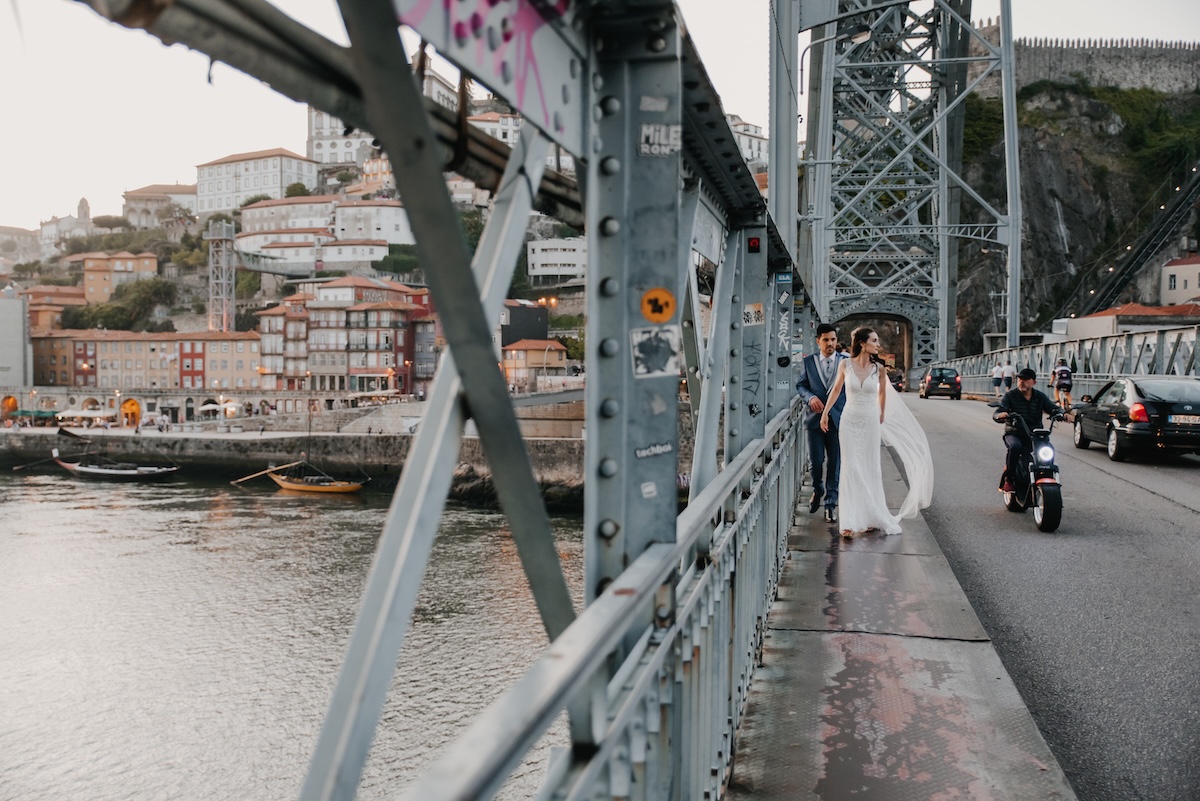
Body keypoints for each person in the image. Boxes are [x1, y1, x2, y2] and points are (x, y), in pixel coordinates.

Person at [820, 327, 933, 537]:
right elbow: (836, 390)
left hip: (870, 420)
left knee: (870, 467)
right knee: (851, 468)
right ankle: (849, 521)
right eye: (874, 340)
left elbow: (882, 393)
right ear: (862, 343)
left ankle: (871, 515)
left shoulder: (879, 368)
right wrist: (825, 413)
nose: (878, 345)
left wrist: (880, 413)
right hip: (849, 420)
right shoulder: (845, 365)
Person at [994, 368, 1075, 494]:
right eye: (1020, 379)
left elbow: (1053, 408)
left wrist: (1063, 414)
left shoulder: (1039, 397)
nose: (1022, 382)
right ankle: (1008, 479)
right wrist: (1001, 415)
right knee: (1015, 447)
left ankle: (1046, 475)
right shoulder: (1011, 395)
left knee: (1048, 450)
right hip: (1015, 433)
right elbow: (999, 411)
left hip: (1035, 435)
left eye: (1026, 379)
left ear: (1034, 382)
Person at [795, 324, 846, 523]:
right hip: (815, 420)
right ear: (818, 341)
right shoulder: (808, 362)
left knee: (835, 464)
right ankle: (818, 489)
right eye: (826, 340)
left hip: (838, 420)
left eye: (833, 339)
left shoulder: (846, 361)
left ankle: (831, 505)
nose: (830, 343)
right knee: (816, 462)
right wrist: (810, 398)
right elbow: (800, 385)